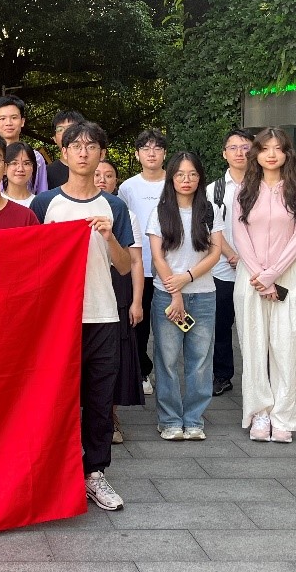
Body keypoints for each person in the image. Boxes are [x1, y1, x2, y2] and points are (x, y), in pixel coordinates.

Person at [31, 121, 133, 512]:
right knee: (56, 397)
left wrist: (109, 237)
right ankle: (56, 470)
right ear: (64, 153)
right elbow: (32, 259)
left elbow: (124, 266)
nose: (84, 152)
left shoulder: (114, 206)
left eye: (92, 146)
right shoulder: (45, 204)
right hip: (58, 318)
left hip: (102, 314)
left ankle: (95, 472)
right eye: (76, 146)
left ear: (101, 154)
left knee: (99, 398)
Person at [233, 127, 296, 444]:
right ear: (256, 153)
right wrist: (259, 273)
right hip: (250, 277)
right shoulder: (244, 191)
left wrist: (273, 274)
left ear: (287, 154)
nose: (271, 154)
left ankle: (284, 416)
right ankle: (260, 413)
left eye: (278, 148)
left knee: (287, 346)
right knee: (253, 347)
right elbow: (239, 234)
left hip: (287, 276)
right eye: (265, 148)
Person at [146, 152, 222, 441]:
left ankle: (194, 420)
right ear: (171, 178)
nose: (186, 180)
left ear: (200, 177)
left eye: (192, 174)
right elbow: (158, 257)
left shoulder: (210, 211)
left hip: (203, 296)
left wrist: (187, 277)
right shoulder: (160, 212)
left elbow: (215, 253)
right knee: (166, 360)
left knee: (200, 361)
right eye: (180, 175)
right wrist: (175, 292)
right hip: (166, 297)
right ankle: (169, 420)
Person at [94, 159, 145, 444]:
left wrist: (137, 301)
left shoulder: (124, 212)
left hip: (118, 286)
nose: (102, 179)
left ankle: (110, 417)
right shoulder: (72, 206)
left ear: (116, 182)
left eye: (109, 175)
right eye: (97, 174)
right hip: (85, 286)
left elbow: (135, 261)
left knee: (115, 355)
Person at [118, 128, 168, 396]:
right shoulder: (128, 187)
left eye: (157, 148)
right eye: (146, 148)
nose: (151, 153)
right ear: (137, 154)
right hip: (140, 267)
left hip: (170, 269)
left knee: (167, 326)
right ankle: (142, 372)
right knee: (138, 324)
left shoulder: (174, 182)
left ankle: (167, 375)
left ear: (165, 154)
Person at [206, 129, 255, 396]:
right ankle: (222, 375)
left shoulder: (264, 186)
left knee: (256, 327)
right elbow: (209, 227)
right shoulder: (214, 190)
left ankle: (257, 377)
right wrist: (231, 255)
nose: (239, 153)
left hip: (257, 270)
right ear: (224, 153)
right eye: (233, 148)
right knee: (221, 325)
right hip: (223, 269)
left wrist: (248, 259)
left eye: (245, 147)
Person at [0, 95, 48, 194]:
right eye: (2, 118)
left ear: (22, 121)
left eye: (14, 118)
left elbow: (42, 193)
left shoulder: (36, 158)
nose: (8, 123)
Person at [46, 111, 86, 189]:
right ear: (54, 138)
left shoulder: (97, 169)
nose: (65, 133)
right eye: (60, 129)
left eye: (71, 128)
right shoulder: (45, 173)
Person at [2, 141, 37, 207]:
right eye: (14, 163)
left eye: (26, 163)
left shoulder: (39, 203)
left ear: (33, 168)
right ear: (4, 168)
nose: (20, 169)